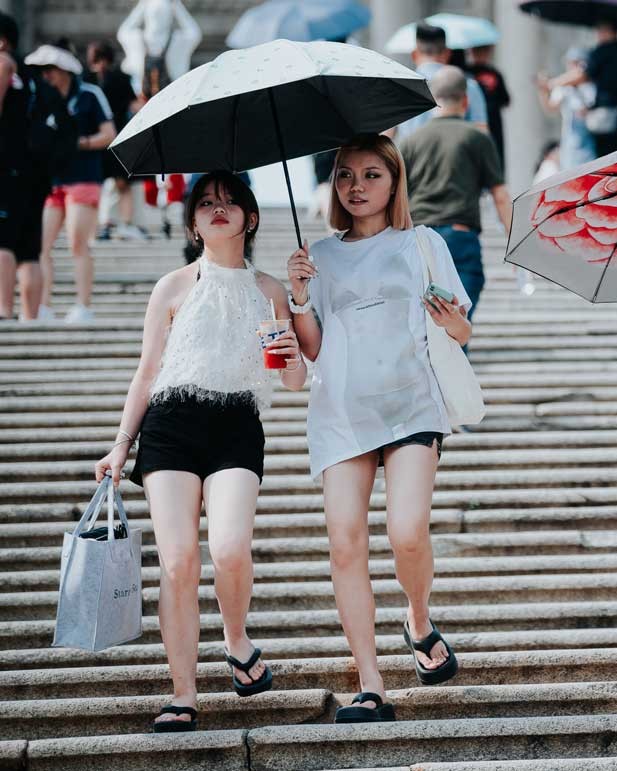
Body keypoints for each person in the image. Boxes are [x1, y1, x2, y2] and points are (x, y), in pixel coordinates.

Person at [94, 170, 307, 732]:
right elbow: (147, 373)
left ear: (250, 218)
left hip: (236, 425)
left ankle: (235, 639)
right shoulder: (171, 287)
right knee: (179, 561)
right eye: (206, 202)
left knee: (230, 548)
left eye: (230, 201)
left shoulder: (270, 291)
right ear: (192, 222)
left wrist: (292, 350)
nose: (218, 209)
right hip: (170, 426)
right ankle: (183, 693)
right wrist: (121, 446)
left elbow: (291, 382)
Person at [286, 133, 471, 723]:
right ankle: (371, 684)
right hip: (341, 410)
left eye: (371, 175)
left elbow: (462, 332)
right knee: (345, 542)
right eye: (345, 175)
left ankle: (417, 616)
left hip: (412, 403)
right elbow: (312, 349)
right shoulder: (318, 254)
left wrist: (451, 318)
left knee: (407, 531)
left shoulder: (423, 243)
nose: (356, 186)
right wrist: (298, 296)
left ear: (394, 182)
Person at [399, 66, 512, 326]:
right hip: (460, 236)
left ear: (432, 100)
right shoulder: (477, 138)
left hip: (417, 238)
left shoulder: (411, 141)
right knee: (457, 321)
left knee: (424, 324)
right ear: (466, 100)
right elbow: (500, 196)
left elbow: (397, 194)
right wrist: (511, 240)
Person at [24, 43, 116, 323]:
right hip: (52, 180)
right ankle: (43, 306)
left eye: (50, 69)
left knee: (77, 242)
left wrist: (78, 143)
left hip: (84, 176)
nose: (46, 75)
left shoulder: (89, 94)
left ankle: (83, 305)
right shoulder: (41, 98)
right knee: (41, 245)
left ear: (64, 70)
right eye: (42, 70)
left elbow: (109, 133)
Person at [0, 12, 51, 322]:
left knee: (2, 242)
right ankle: (31, 319)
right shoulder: (31, 74)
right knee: (29, 252)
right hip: (34, 169)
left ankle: (4, 310)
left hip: (7, 167)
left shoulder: (3, 62)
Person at [544, 16, 617, 157]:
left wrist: (554, 82)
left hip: (604, 116)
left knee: (605, 159)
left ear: (607, 30)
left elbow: (582, 74)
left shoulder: (602, 51)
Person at [85, 40, 144, 242]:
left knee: (121, 183)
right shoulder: (88, 80)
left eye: (101, 60)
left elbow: (134, 104)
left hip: (113, 138)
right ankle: (100, 225)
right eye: (96, 60)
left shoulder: (116, 79)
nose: (100, 65)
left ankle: (123, 224)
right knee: (98, 184)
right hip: (100, 139)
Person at [393, 23, 487, 143]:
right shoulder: (468, 85)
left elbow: (387, 134)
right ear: (448, 53)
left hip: (410, 154)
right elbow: (481, 132)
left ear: (415, 54)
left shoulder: (400, 87)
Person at [537, 47, 597, 170]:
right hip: (570, 138)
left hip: (591, 137)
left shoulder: (590, 85)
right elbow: (551, 107)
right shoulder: (563, 87)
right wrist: (543, 90)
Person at [465, 44, 510, 170]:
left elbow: (505, 99)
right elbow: (505, 100)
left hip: (485, 122)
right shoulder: (493, 74)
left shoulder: (467, 74)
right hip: (487, 122)